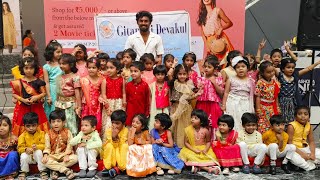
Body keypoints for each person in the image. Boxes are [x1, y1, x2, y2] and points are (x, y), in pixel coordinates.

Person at [10, 57, 49, 136]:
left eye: (31, 68)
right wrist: (22, 100)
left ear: (35, 69)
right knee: (23, 123)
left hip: (37, 108)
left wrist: (36, 97)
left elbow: (44, 93)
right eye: (26, 68)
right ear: (22, 69)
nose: (28, 70)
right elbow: (14, 94)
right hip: (23, 108)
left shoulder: (39, 82)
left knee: (37, 122)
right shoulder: (18, 82)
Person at [277, 58, 320, 123]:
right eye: (288, 67)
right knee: (282, 118)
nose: (291, 69)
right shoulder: (280, 76)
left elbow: (308, 69)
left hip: (292, 102)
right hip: (282, 101)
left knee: (292, 119)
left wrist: (317, 63)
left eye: (293, 67)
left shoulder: (295, 76)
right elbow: (272, 67)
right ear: (283, 69)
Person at [170, 64, 202, 148]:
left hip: (186, 109)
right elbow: (169, 74)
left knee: (186, 126)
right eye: (180, 74)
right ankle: (177, 144)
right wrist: (173, 65)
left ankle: (186, 144)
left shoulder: (189, 83)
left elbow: (190, 97)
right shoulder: (175, 83)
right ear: (176, 74)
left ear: (187, 74)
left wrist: (197, 94)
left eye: (184, 74)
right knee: (177, 127)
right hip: (176, 108)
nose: (182, 76)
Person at [179, 109, 220, 174]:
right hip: (191, 149)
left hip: (203, 148)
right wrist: (194, 150)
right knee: (190, 156)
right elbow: (186, 143)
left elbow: (208, 142)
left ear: (201, 121)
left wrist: (206, 149)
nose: (192, 119)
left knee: (207, 157)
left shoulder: (205, 131)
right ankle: (207, 169)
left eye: (195, 118)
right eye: (192, 117)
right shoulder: (187, 130)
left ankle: (197, 167)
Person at [221, 56, 255, 131]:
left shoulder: (251, 81)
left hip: (245, 103)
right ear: (235, 69)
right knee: (233, 120)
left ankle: (243, 138)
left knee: (243, 120)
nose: (240, 68)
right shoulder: (230, 79)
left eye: (243, 66)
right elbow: (226, 93)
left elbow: (252, 95)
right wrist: (223, 105)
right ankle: (233, 137)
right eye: (238, 67)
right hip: (232, 103)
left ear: (247, 68)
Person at [42, 110, 77, 180]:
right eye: (53, 122)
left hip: (64, 155)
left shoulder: (68, 132)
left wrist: (67, 155)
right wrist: (45, 155)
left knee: (75, 158)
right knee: (45, 162)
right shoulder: (48, 134)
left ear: (63, 122)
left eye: (58, 121)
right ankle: (65, 170)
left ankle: (55, 170)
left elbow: (70, 145)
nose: (56, 124)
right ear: (50, 123)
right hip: (53, 155)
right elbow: (47, 147)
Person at [195, 55, 224, 140]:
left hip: (213, 105)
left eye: (209, 67)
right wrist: (198, 87)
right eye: (205, 67)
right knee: (201, 122)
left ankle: (212, 141)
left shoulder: (218, 79)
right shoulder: (200, 79)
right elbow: (197, 91)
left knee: (213, 123)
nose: (206, 69)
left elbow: (221, 92)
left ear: (215, 69)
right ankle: (200, 139)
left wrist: (214, 82)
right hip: (201, 103)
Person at [197, 0, 234, 64]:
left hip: (220, 39)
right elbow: (203, 34)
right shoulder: (202, 15)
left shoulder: (217, 10)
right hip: (210, 42)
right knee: (214, 65)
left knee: (227, 62)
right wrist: (207, 46)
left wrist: (221, 29)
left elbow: (229, 23)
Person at [55, 54, 81, 136]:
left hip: (70, 105)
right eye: (60, 64)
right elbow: (57, 91)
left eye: (64, 64)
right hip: (59, 104)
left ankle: (72, 144)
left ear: (71, 64)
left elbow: (77, 93)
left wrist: (78, 106)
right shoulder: (59, 76)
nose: (61, 66)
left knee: (70, 124)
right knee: (60, 123)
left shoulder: (75, 77)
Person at [288, 106, 320, 171]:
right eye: (299, 114)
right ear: (295, 117)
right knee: (294, 157)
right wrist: (303, 155)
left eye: (306, 114)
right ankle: (310, 166)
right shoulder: (291, 126)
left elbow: (311, 141)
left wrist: (313, 154)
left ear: (309, 117)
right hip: (295, 150)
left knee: (318, 153)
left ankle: (309, 162)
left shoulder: (309, 125)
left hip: (306, 148)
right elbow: (289, 144)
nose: (303, 116)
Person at [101, 59, 126, 143]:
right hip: (109, 104)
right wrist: (107, 107)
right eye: (107, 67)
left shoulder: (122, 79)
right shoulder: (105, 80)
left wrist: (124, 104)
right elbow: (103, 94)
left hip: (119, 104)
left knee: (119, 123)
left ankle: (119, 144)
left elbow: (124, 93)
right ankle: (107, 144)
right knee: (108, 124)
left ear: (118, 69)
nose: (108, 70)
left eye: (111, 68)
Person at [17, 112, 47, 180]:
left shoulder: (42, 134)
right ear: (24, 126)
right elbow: (19, 148)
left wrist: (37, 147)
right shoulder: (22, 136)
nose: (31, 128)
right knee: (23, 156)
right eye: (28, 126)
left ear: (37, 125)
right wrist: (25, 149)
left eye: (33, 125)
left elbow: (45, 145)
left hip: (38, 157)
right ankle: (24, 171)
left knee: (38, 152)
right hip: (29, 157)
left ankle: (43, 170)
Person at [81, 57, 106, 133]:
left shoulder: (102, 79)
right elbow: (82, 94)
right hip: (86, 106)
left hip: (97, 105)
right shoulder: (83, 79)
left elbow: (103, 93)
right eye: (89, 67)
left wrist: (102, 98)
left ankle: (96, 140)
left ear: (98, 68)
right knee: (86, 123)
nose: (91, 69)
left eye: (94, 67)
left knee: (97, 122)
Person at [255, 61, 280, 133]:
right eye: (269, 72)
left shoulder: (275, 82)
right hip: (263, 107)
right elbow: (258, 97)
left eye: (272, 71)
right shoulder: (260, 82)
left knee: (273, 123)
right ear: (262, 73)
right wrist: (258, 109)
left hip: (272, 107)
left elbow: (276, 96)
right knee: (263, 124)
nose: (272, 73)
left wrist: (277, 107)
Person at [102, 110, 129, 177]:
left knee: (125, 146)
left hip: (120, 151)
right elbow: (111, 144)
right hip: (112, 151)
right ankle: (109, 167)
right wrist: (113, 137)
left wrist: (115, 137)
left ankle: (120, 167)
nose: (114, 125)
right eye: (113, 122)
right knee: (108, 145)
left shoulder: (126, 130)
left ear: (123, 124)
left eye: (117, 123)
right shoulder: (109, 131)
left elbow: (121, 144)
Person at [125, 61, 151, 126]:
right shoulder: (128, 85)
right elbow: (127, 99)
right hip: (130, 111)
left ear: (141, 72)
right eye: (131, 71)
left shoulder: (145, 85)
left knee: (139, 127)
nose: (133, 73)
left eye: (135, 71)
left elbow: (147, 100)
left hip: (141, 111)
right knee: (130, 127)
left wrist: (147, 112)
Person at [43, 40, 63, 119]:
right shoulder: (46, 67)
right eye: (58, 52)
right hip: (52, 90)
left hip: (63, 88)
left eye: (61, 52)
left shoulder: (63, 64)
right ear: (51, 53)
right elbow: (46, 82)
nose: (60, 54)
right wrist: (49, 96)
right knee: (52, 109)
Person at [149, 65, 170, 129]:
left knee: (164, 122)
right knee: (154, 121)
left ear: (165, 75)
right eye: (158, 74)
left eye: (162, 74)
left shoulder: (168, 85)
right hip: (154, 107)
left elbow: (169, 96)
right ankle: (153, 137)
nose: (160, 76)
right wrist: (149, 108)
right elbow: (150, 97)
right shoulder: (151, 86)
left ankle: (165, 137)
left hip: (165, 108)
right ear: (155, 75)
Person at [0, 114, 19, 180]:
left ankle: (10, 174)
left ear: (10, 127)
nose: (1, 128)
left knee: (13, 154)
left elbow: (19, 149)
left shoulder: (13, 138)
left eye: (5, 125)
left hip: (9, 159)